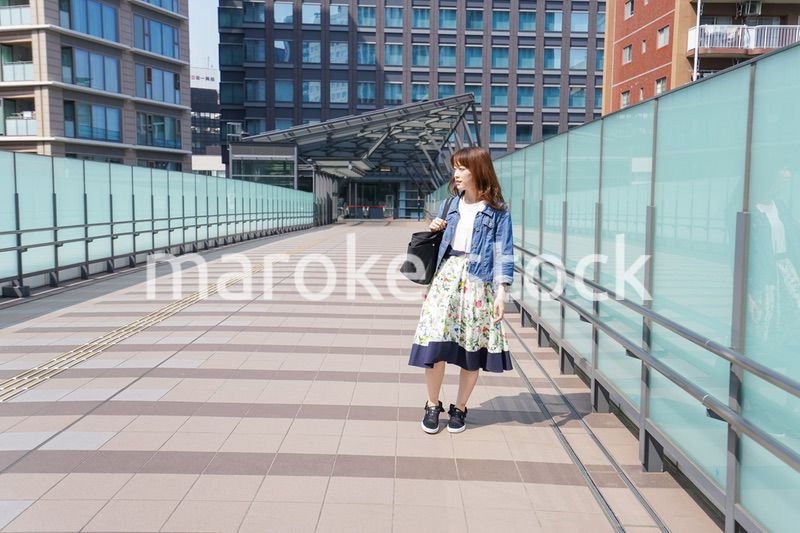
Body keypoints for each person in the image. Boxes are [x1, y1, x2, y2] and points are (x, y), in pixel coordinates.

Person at [408, 146, 514, 434]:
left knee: (471, 348)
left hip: (478, 282)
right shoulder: (449, 205)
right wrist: (435, 228)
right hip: (446, 277)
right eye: (455, 167)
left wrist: (502, 293)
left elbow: (504, 253)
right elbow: (440, 246)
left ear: (477, 170)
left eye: (462, 168)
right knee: (435, 343)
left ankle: (461, 408)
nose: (456, 173)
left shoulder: (498, 211)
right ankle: (432, 405)